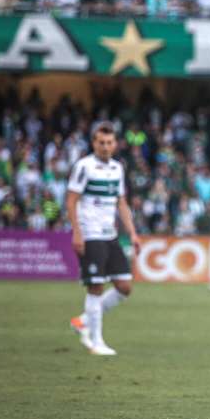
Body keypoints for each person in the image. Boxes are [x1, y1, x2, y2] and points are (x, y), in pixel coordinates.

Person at [67, 122, 141, 356]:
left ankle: (82, 321)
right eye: (101, 142)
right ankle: (97, 342)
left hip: (110, 234)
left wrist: (132, 232)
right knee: (96, 286)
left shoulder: (117, 168)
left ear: (115, 144)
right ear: (94, 143)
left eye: (110, 142)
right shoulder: (84, 166)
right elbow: (71, 200)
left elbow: (121, 202)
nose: (106, 146)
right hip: (90, 233)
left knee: (124, 286)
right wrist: (77, 232)